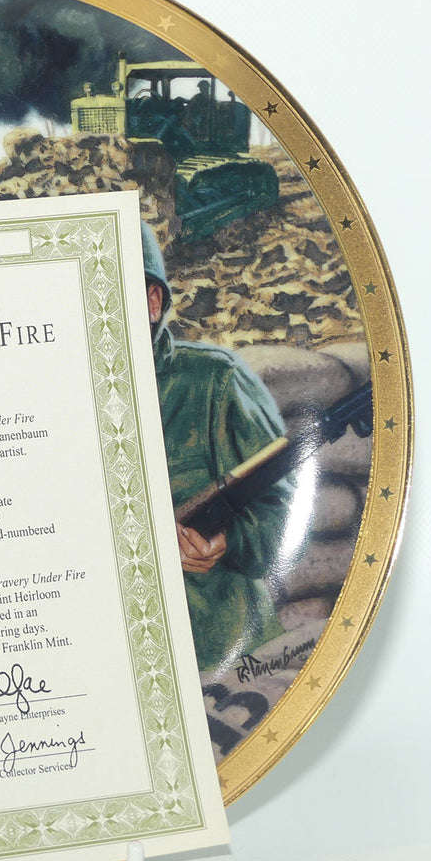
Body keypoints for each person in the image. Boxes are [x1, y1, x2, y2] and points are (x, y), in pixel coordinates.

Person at [141, 225, 290, 673]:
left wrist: (226, 541)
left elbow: (283, 511)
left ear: (152, 302)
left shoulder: (214, 381)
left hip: (220, 656)